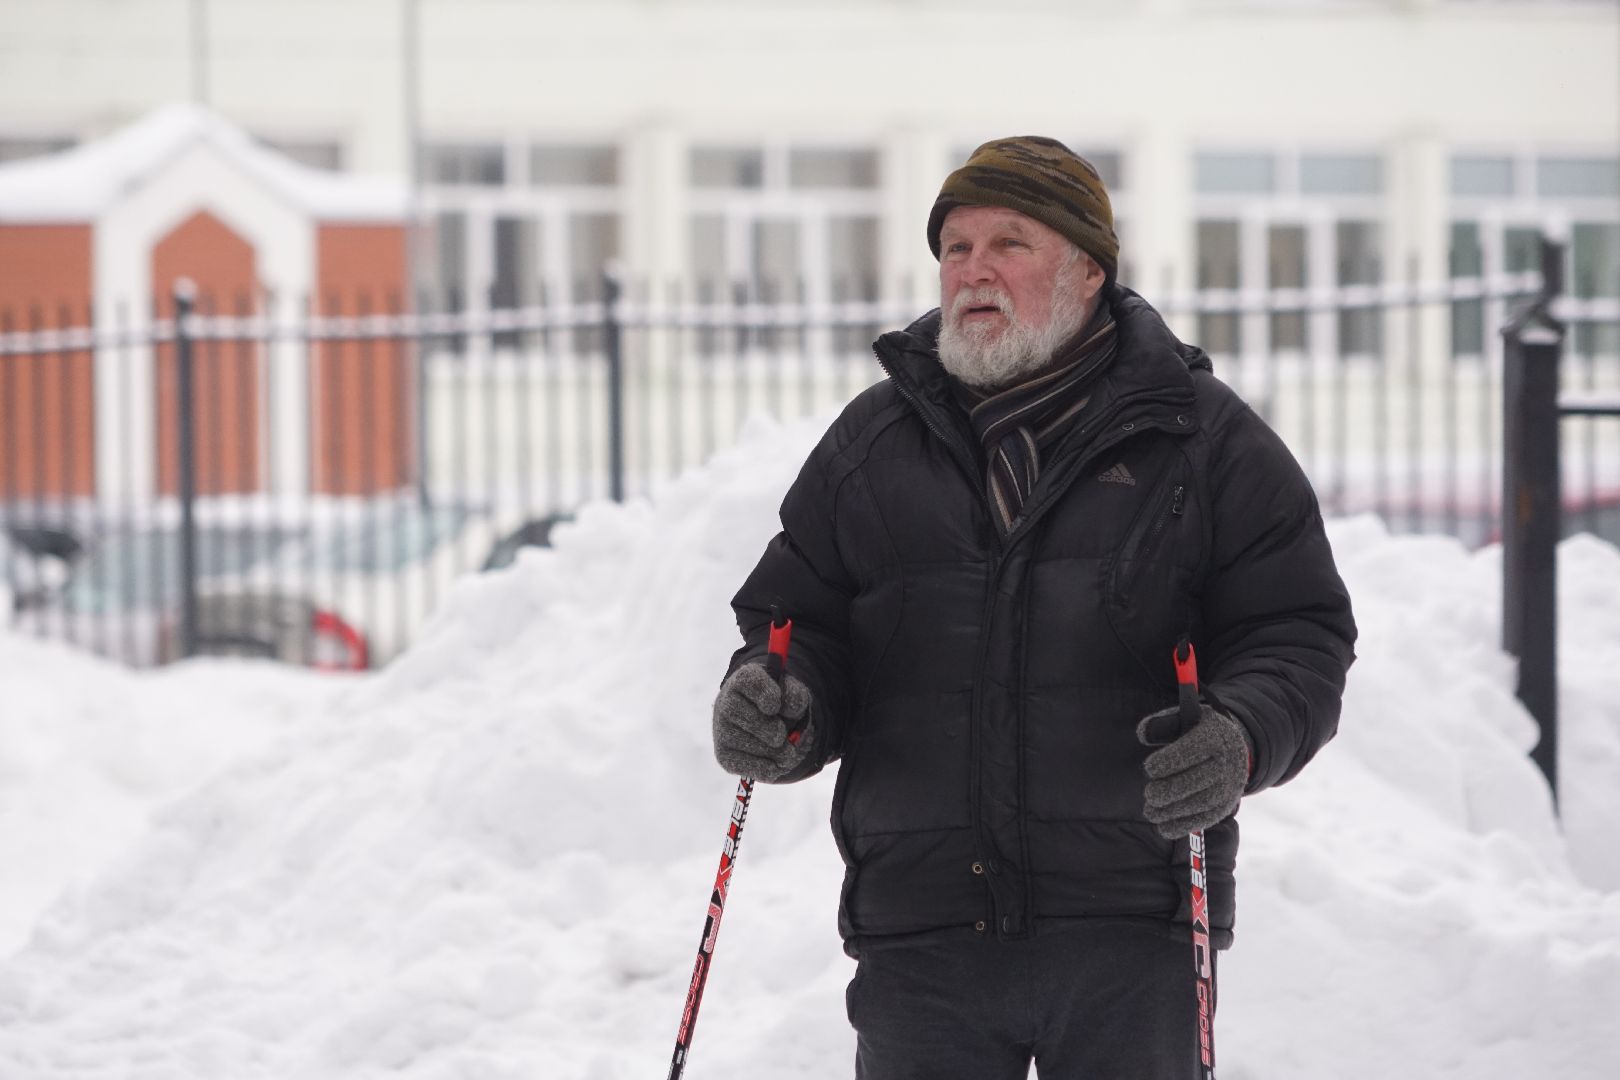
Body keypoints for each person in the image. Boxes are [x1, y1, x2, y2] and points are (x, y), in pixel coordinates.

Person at [711, 135, 1357, 1079]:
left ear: (1089, 268)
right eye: (955, 248)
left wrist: (1241, 734)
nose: (973, 271)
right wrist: (780, 701)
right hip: (921, 929)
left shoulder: (1201, 440)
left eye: (1009, 242)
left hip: (1133, 926)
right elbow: (795, 625)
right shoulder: (871, 445)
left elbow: (1297, 633)